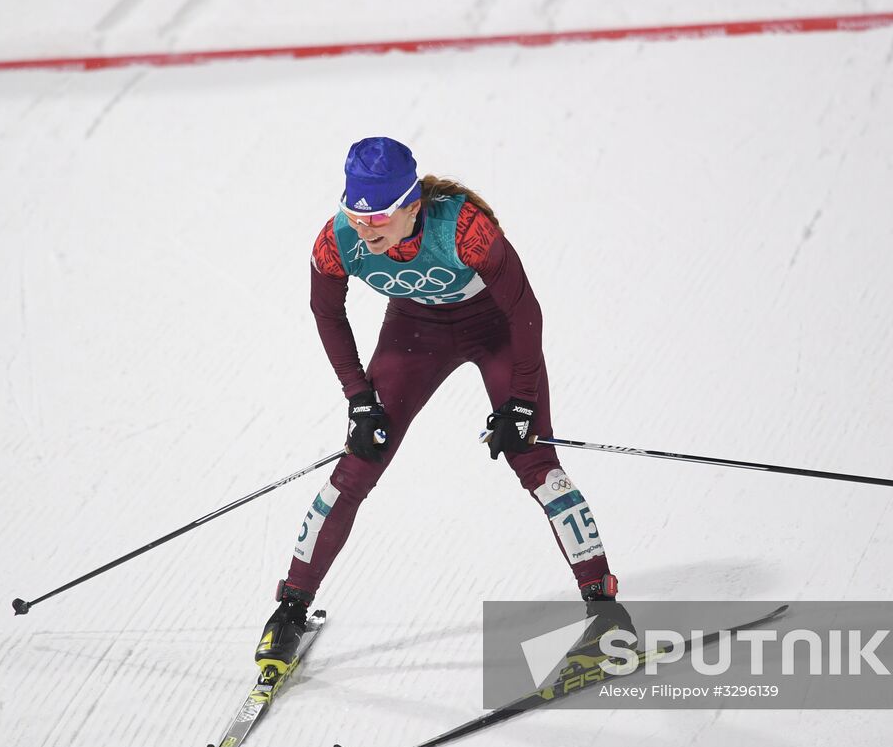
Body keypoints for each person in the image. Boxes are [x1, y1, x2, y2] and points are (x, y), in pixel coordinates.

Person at [254, 137, 629, 677]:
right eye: (354, 215)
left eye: (379, 216)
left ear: (412, 204)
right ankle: (290, 607)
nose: (366, 229)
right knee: (357, 466)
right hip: (415, 334)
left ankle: (605, 609)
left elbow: (525, 312)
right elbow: (327, 315)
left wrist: (521, 402)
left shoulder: (465, 229)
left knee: (536, 462)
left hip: (496, 330)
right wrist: (359, 401)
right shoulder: (337, 243)